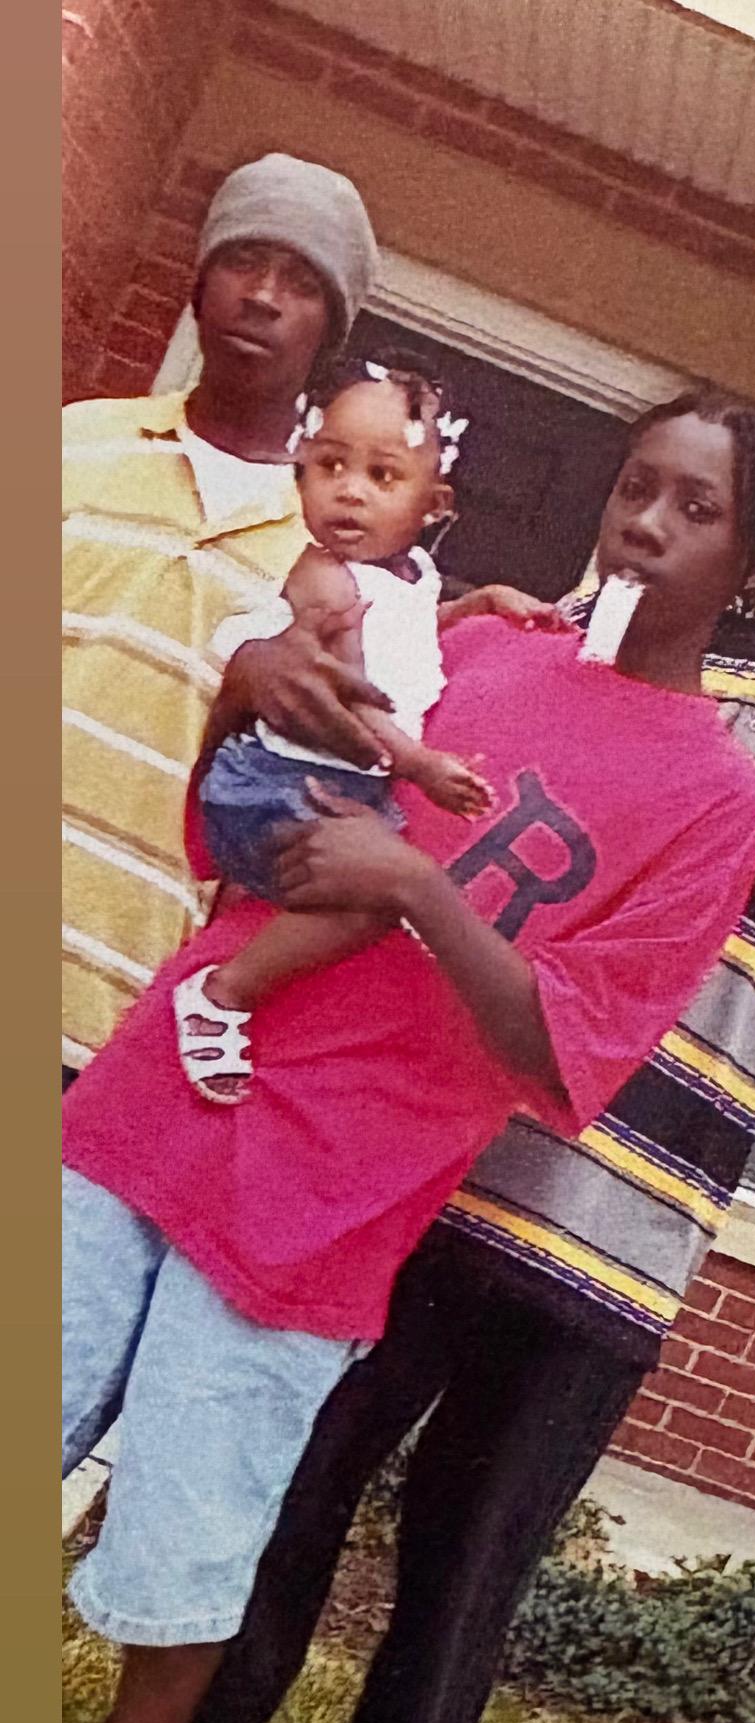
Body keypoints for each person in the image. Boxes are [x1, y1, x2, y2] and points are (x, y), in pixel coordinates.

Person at [131, 323, 755, 1723]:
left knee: (475, 1549)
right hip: (448, 1135)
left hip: (638, 1194)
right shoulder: (639, 595)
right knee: (303, 1471)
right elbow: (487, 781)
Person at [60, 390, 755, 1723]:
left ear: (752, 565)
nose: (646, 525)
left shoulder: (713, 802)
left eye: (696, 510)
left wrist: (414, 886)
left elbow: (562, 1051)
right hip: (162, 1101)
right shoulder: (472, 647)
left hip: (331, 1196)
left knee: (201, 1541)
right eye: (636, 487)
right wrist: (249, 690)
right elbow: (241, 823)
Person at [61, 152, 551, 1089]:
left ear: (333, 328)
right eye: (244, 261)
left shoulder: (346, 545)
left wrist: (474, 611)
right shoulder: (74, 442)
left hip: (123, 997)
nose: (262, 296)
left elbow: (387, 701)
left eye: (301, 282)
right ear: (199, 279)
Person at [174, 355, 493, 1102]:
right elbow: (349, 694)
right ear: (301, 470)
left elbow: (405, 635)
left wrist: (481, 606)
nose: (349, 490)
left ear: (434, 504)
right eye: (330, 465)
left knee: (372, 891)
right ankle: (221, 994)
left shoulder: (407, 578)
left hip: (326, 783)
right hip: (279, 782)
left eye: (382, 475)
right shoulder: (320, 578)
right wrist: (418, 764)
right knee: (375, 898)